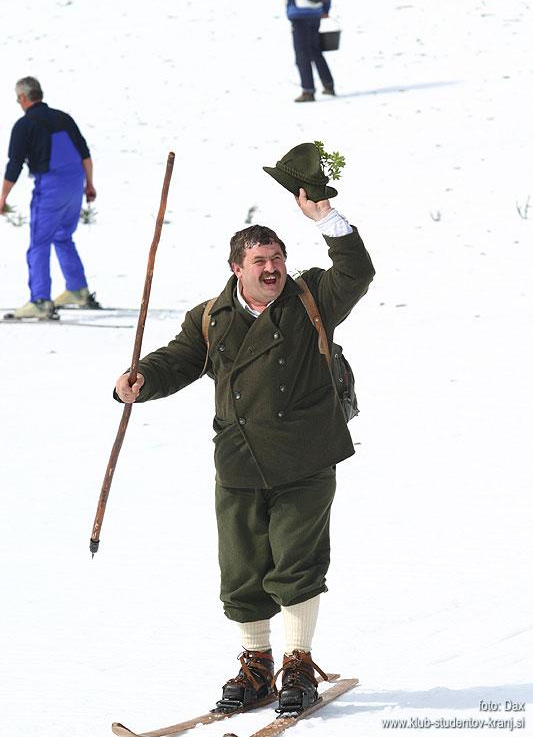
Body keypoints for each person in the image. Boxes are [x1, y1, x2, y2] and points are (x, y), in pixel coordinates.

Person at [114, 147, 375, 715]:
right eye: (260, 260)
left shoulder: (312, 299)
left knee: (297, 563)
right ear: (237, 267)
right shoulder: (211, 316)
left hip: (306, 456)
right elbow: (179, 360)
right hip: (236, 458)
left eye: (277, 257)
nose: (272, 268)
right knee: (241, 568)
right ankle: (256, 665)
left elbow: (357, 272)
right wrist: (140, 379)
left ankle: (297, 663)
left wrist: (326, 219)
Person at [0, 76, 99, 319]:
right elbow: (85, 153)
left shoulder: (25, 125)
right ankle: (78, 290)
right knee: (63, 236)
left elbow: (15, 165)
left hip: (51, 188)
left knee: (39, 242)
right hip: (75, 184)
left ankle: (41, 300)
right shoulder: (63, 118)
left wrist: (2, 197)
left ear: (24, 98)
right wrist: (89, 184)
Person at [235, 0, 335, 103]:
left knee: (302, 54)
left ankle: (308, 91)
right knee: (315, 50)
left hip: (300, 16)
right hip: (316, 13)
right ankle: (329, 85)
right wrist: (325, 9)